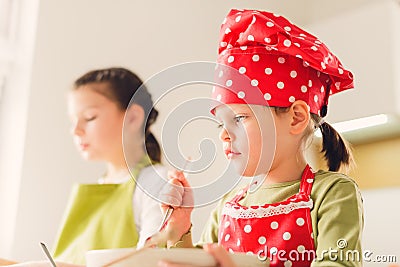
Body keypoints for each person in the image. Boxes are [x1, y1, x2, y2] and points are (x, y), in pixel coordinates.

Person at [158, 9, 364, 267]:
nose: (223, 133)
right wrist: (179, 229)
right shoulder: (227, 206)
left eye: (239, 118)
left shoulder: (332, 194)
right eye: (220, 122)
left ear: (296, 118)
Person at [2, 67, 167, 267]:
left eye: (89, 117)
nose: (76, 130)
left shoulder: (157, 181)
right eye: (72, 121)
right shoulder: (100, 186)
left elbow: (149, 262)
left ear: (133, 118)